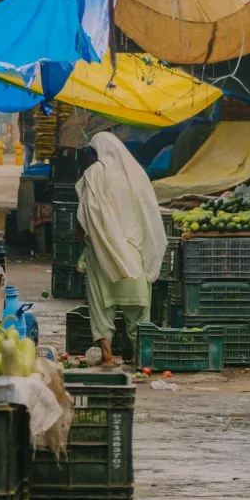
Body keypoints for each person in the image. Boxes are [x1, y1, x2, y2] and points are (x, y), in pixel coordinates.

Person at [75, 132, 167, 362]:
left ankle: (107, 355)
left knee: (100, 302)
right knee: (138, 304)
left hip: (102, 248)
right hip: (133, 248)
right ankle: (139, 355)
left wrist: (82, 235)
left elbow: (85, 213)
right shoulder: (136, 176)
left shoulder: (95, 174)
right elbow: (149, 214)